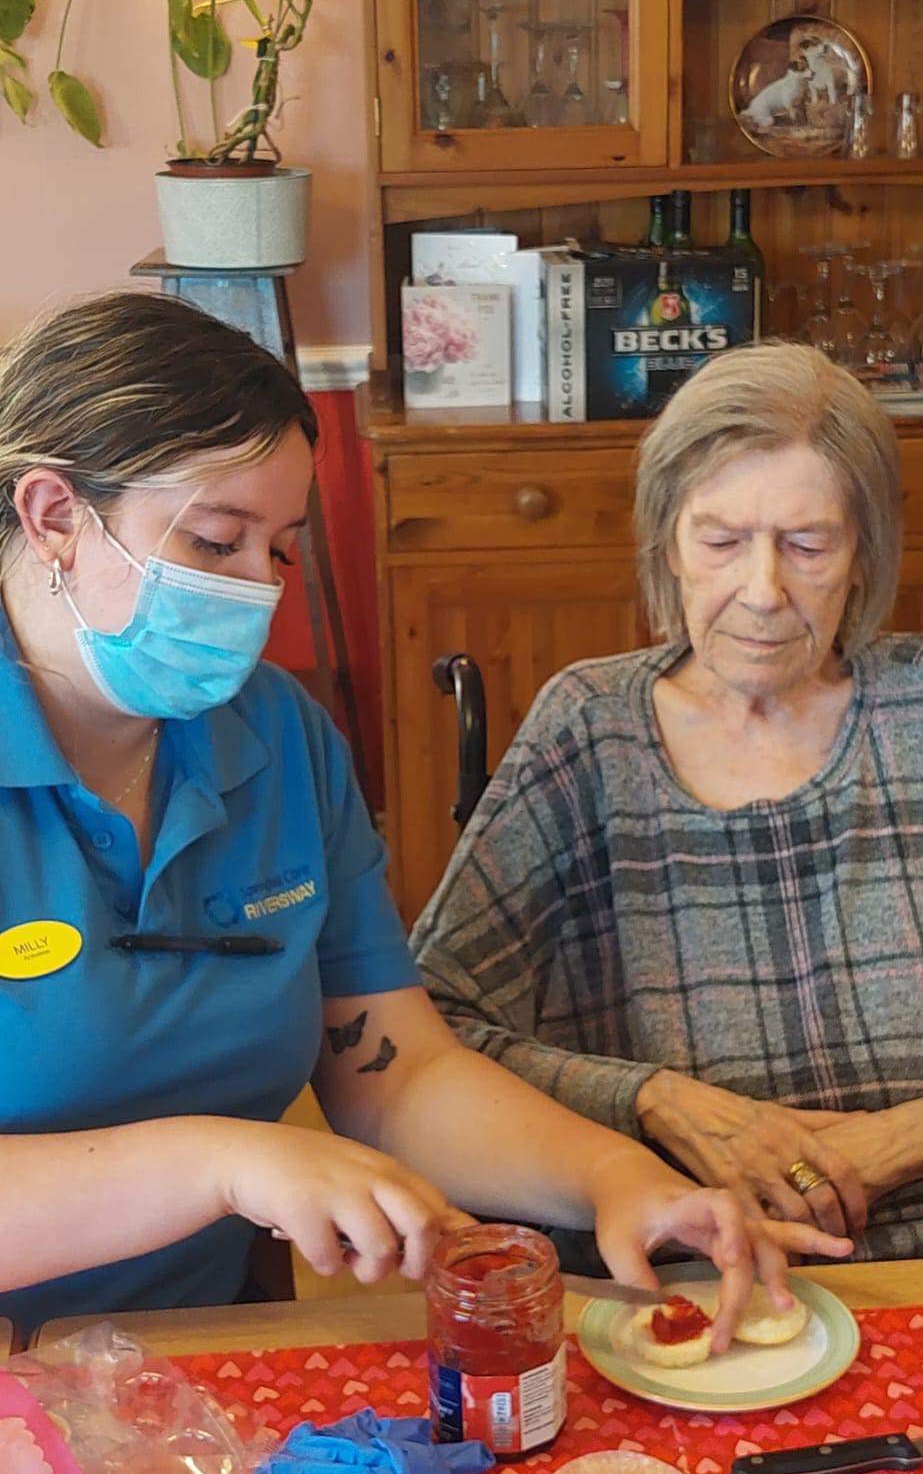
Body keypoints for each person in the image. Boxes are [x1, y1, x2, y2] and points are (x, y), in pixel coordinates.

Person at [0, 296, 848, 1344]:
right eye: (216, 543)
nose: (258, 593)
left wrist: (614, 1176)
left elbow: (397, 1074)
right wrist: (221, 1163)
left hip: (187, 1347)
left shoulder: (275, 736)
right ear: (54, 515)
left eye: (280, 551)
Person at [412, 341, 923, 1264]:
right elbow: (429, 1031)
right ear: (667, 546)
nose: (761, 592)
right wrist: (655, 1099)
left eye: (808, 545)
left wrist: (897, 1140)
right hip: (675, 1271)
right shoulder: (590, 727)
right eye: (720, 542)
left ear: (862, 554)